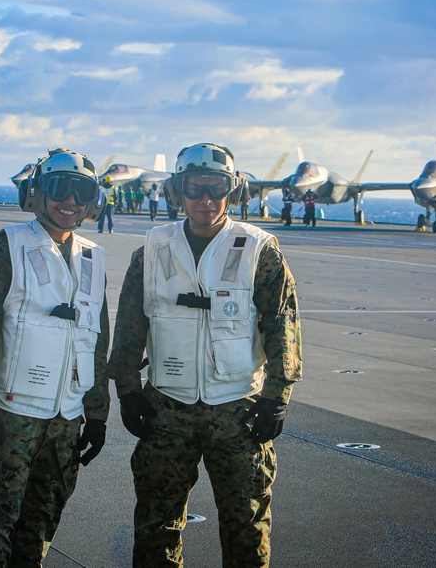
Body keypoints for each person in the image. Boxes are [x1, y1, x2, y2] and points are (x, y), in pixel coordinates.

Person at [109, 142, 302, 568]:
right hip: (166, 408)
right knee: (156, 525)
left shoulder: (258, 250)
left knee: (246, 526)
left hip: (239, 411)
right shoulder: (153, 251)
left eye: (217, 189)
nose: (206, 200)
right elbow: (129, 326)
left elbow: (282, 323)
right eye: (195, 189)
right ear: (179, 191)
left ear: (231, 192)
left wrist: (277, 395)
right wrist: (127, 390)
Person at [0, 148, 110, 568]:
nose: (70, 201)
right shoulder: (8, 246)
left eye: (81, 191)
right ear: (38, 193)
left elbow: (96, 341)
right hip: (8, 417)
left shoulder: (93, 257)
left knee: (37, 535)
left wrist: (96, 413)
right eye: (60, 188)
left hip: (64, 425)